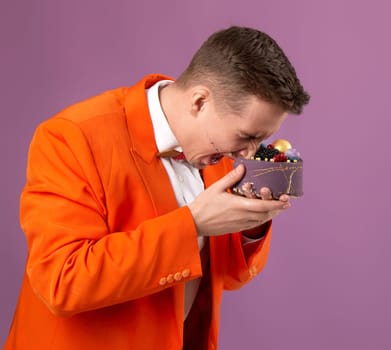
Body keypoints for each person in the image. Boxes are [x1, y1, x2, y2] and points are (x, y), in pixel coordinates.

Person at [4, 26, 309, 349]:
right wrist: (191, 224)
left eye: (260, 139)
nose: (249, 153)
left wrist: (252, 223)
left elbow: (227, 277)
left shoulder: (217, 147)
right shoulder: (70, 138)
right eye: (248, 136)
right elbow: (61, 283)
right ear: (200, 101)